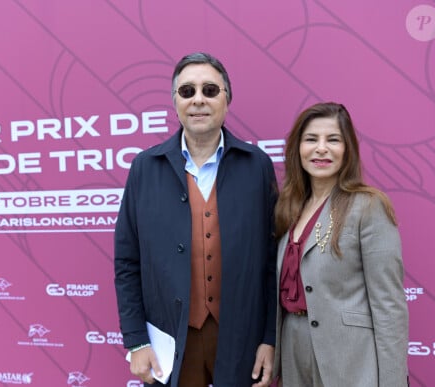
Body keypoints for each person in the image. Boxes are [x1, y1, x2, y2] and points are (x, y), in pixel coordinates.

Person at [114, 52, 278, 386]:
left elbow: (272, 262)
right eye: (187, 91)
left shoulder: (257, 166)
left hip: (240, 338)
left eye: (210, 90)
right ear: (175, 103)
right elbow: (127, 262)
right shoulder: (145, 169)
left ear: (226, 100)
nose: (198, 100)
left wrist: (270, 338)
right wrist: (136, 340)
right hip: (172, 339)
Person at [273, 102, 409, 386]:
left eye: (333, 140)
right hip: (294, 350)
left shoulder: (369, 206)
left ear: (347, 149)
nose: (321, 148)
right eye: (311, 139)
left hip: (350, 358)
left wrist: (394, 382)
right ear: (298, 149)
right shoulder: (289, 207)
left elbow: (389, 306)